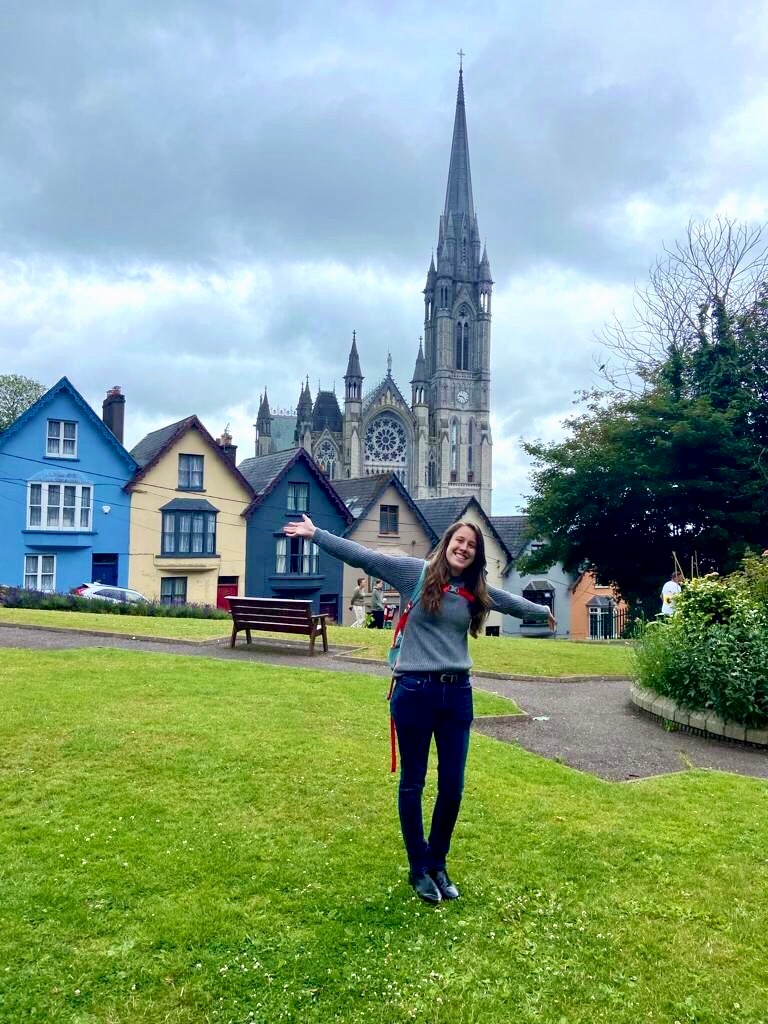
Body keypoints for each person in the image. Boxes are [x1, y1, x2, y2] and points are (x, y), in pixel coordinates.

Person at [283, 514, 556, 904]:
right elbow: (364, 557)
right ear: (447, 543)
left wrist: (538, 611)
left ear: (476, 555)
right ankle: (418, 869)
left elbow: (508, 602)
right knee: (413, 783)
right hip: (413, 691)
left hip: (457, 694)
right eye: (458, 541)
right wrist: (317, 535)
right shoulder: (416, 573)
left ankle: (438, 863)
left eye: (471, 545)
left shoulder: (475, 589)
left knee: (453, 787)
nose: (463, 548)